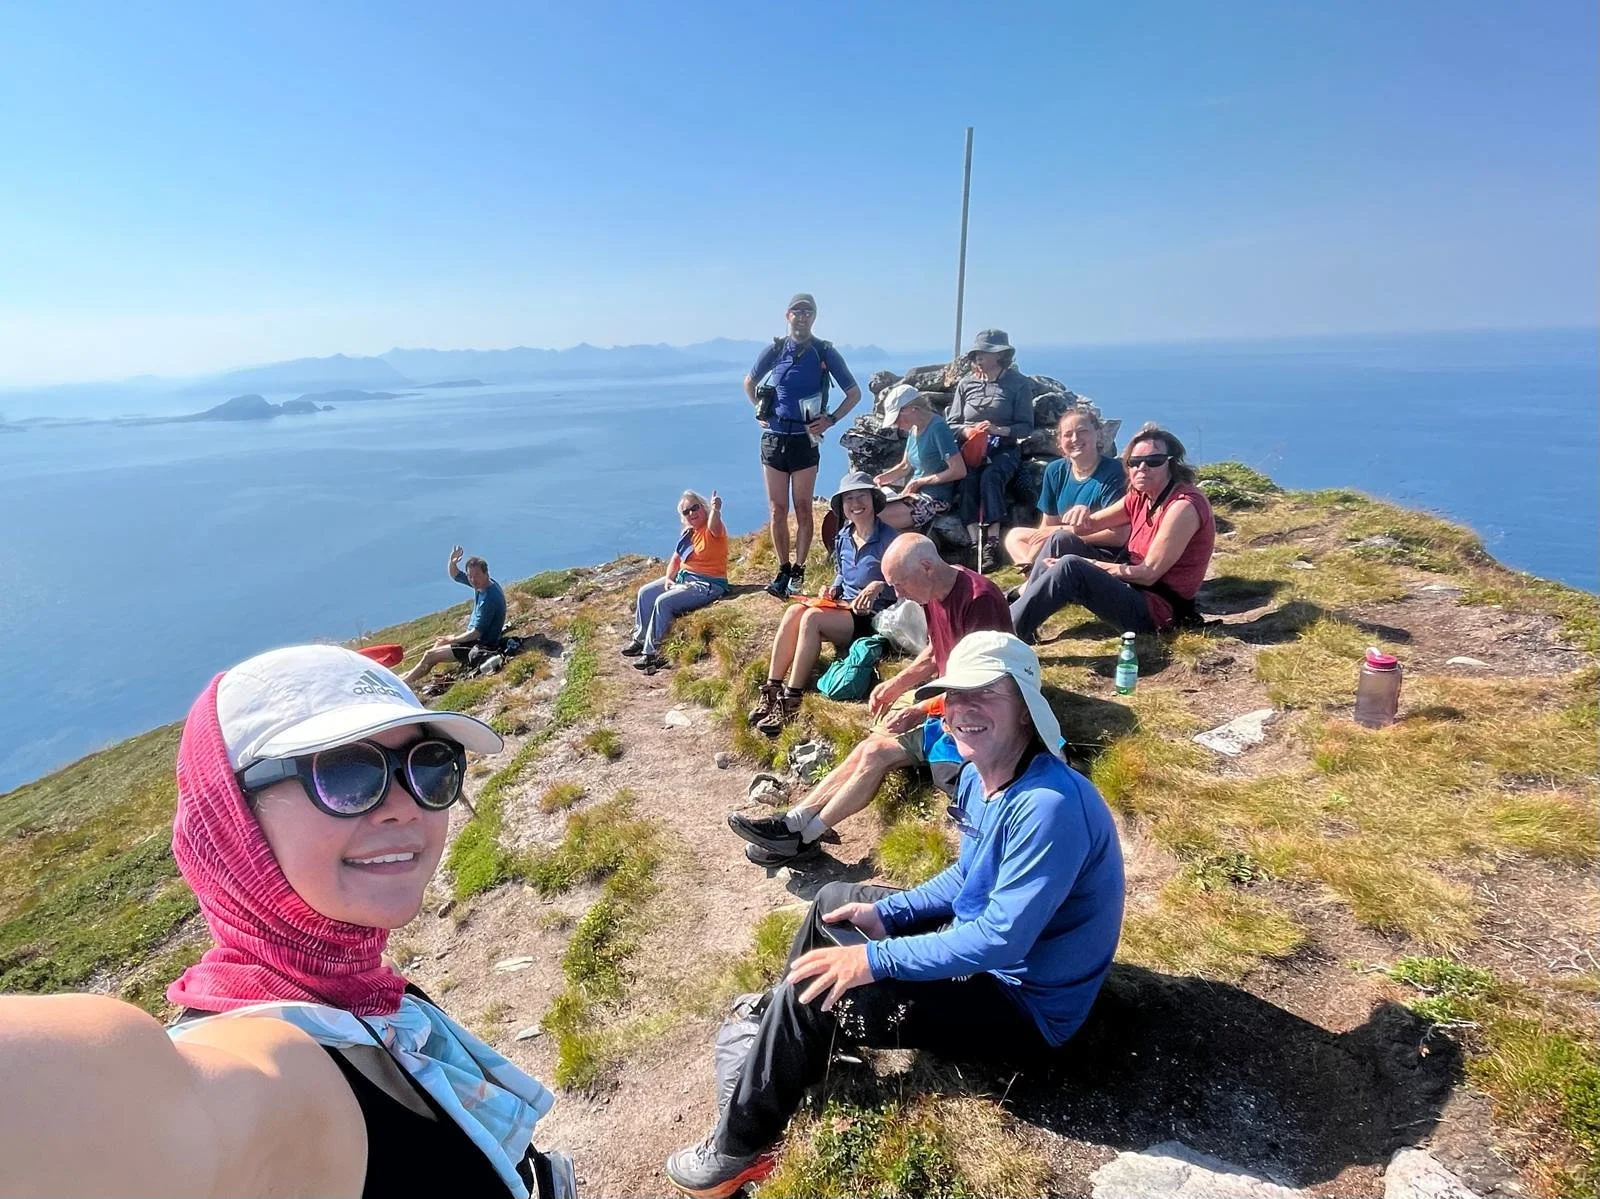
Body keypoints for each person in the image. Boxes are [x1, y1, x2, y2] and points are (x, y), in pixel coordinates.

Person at [0, 645, 573, 1198]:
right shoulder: (272, 1065)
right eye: (347, 773)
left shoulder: (362, 991)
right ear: (229, 820)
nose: (406, 805)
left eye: (429, 765)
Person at [669, 631, 1126, 1198]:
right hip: (992, 960)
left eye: (985, 693)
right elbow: (968, 879)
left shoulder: (1049, 806)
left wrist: (874, 959)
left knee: (823, 987)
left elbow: (1001, 940)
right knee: (836, 905)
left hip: (1027, 1007)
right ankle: (785, 1031)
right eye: (954, 697)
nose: (963, 711)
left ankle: (739, 1148)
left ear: (1028, 710)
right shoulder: (990, 775)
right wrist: (891, 914)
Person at [728, 535, 1011, 866]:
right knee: (870, 747)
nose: (899, 595)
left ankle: (802, 837)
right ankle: (794, 823)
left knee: (876, 751)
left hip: (978, 716)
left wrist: (920, 710)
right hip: (952, 704)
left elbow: (981, 684)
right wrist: (895, 684)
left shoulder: (979, 600)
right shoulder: (935, 592)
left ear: (926, 566)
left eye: (900, 584)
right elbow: (936, 651)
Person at [1010, 424, 1216, 641]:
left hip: (1157, 609)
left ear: (1171, 464)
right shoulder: (1141, 495)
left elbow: (1148, 574)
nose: (1142, 467)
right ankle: (1019, 614)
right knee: (1060, 539)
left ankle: (1005, 632)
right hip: (1131, 585)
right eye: (1134, 462)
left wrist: (1090, 565)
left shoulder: (1183, 507)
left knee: (1071, 566)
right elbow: (1086, 527)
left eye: (1153, 461)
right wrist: (1082, 513)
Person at [747, 473, 900, 737]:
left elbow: (906, 583)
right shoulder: (843, 536)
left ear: (874, 500)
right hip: (845, 608)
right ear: (843, 506)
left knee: (812, 618)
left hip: (875, 617)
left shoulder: (891, 539)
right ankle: (772, 688)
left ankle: (791, 698)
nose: (856, 504)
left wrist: (878, 586)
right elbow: (842, 573)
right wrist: (832, 588)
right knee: (795, 610)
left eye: (861, 496)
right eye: (849, 499)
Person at [745, 293, 863, 600]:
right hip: (773, 438)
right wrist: (760, 412)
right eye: (797, 312)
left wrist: (831, 419)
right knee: (776, 509)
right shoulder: (775, 349)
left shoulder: (823, 351)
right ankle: (783, 568)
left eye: (808, 312)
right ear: (787, 316)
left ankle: (799, 570)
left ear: (814, 317)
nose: (802, 317)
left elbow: (853, 393)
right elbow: (749, 381)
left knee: (802, 508)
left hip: (804, 440)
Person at [946, 328, 1035, 569]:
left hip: (1003, 448)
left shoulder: (1018, 384)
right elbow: (953, 423)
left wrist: (998, 430)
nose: (978, 358)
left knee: (991, 477)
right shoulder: (966, 384)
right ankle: (975, 543)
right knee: (966, 480)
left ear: (1000, 355)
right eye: (976, 354)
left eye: (984, 353)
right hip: (972, 448)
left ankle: (992, 545)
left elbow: (1026, 427)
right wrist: (968, 431)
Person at [1002, 406, 1128, 570]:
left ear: (1098, 434)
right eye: (1068, 434)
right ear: (1060, 442)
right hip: (1059, 543)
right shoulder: (1055, 470)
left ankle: (1033, 582)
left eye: (1082, 431)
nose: (1075, 438)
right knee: (1014, 537)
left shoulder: (1114, 472)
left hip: (1101, 552)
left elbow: (1118, 536)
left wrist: (1067, 533)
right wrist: (1044, 541)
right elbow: (1047, 525)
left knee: (1059, 539)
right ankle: (1033, 576)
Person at [623, 489, 729, 675]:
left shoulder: (713, 530)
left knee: (663, 602)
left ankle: (653, 653)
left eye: (694, 508)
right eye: (686, 512)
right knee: (645, 593)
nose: (692, 513)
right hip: (684, 578)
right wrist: (669, 580)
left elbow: (714, 523)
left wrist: (716, 510)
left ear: (703, 508)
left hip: (707, 584)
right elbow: (675, 560)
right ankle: (640, 639)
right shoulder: (688, 534)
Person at [402, 546, 507, 686]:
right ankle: (410, 674)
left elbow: (476, 633)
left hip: (480, 645)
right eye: (470, 576)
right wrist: (452, 562)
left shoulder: (490, 599)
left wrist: (452, 639)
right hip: (473, 640)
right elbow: (455, 575)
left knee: (430, 655)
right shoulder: (483, 584)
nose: (472, 580)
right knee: (439, 644)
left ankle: (405, 683)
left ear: (486, 573)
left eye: (476, 576)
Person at [872, 384, 966, 532]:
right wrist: (881, 479)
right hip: (913, 496)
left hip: (934, 499)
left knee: (877, 517)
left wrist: (919, 482)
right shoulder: (914, 429)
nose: (897, 425)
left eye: (897, 418)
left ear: (911, 408)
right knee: (868, 510)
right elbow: (905, 466)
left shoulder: (938, 427)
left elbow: (958, 470)